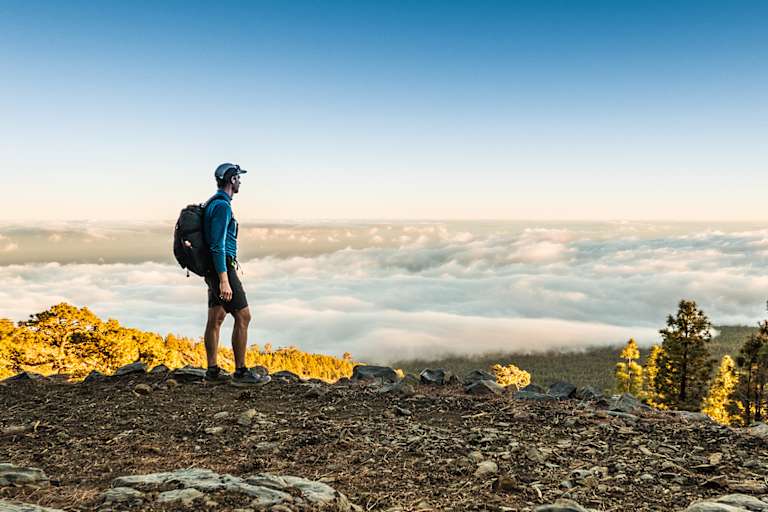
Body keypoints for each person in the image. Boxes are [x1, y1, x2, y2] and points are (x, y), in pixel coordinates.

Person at [202, 163, 270, 386]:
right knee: (243, 316)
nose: (240, 181)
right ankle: (241, 372)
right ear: (232, 180)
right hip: (222, 269)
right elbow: (217, 245)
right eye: (239, 178)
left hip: (212, 269)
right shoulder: (222, 206)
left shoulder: (212, 202)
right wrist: (224, 280)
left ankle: (212, 372)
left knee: (216, 317)